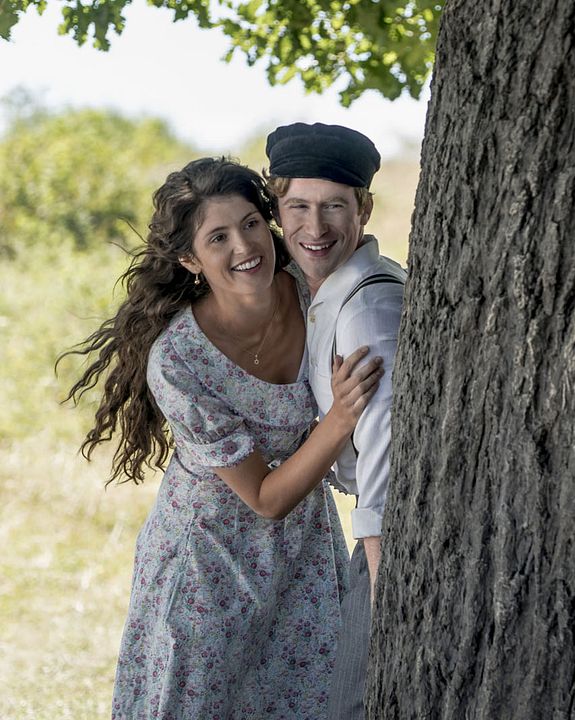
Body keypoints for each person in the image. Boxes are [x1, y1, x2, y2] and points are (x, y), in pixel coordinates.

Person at [63, 157, 385, 718]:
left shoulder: (313, 293)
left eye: (251, 224)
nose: (244, 247)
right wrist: (339, 422)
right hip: (208, 558)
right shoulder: (179, 360)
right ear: (191, 260)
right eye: (218, 237)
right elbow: (264, 499)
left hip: (304, 550)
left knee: (305, 702)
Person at [264, 122, 406, 719]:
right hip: (374, 531)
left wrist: (378, 565)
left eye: (333, 207)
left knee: (355, 699)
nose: (314, 228)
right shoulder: (323, 290)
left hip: (388, 534)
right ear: (277, 206)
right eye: (298, 206)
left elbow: (385, 437)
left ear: (364, 208)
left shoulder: (368, 303)